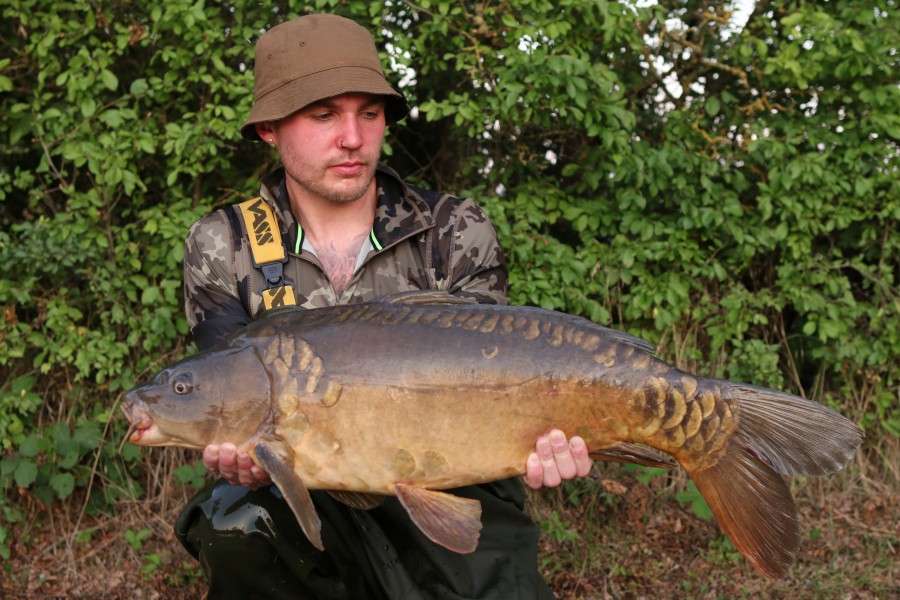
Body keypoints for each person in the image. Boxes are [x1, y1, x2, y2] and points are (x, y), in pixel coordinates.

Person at [176, 13, 593, 599]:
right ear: (269, 128)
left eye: (368, 113)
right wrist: (238, 453)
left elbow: (503, 378)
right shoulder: (224, 244)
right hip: (299, 497)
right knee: (237, 523)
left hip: (450, 483)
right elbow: (232, 394)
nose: (353, 138)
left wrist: (552, 434)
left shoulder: (453, 228)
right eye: (324, 115)